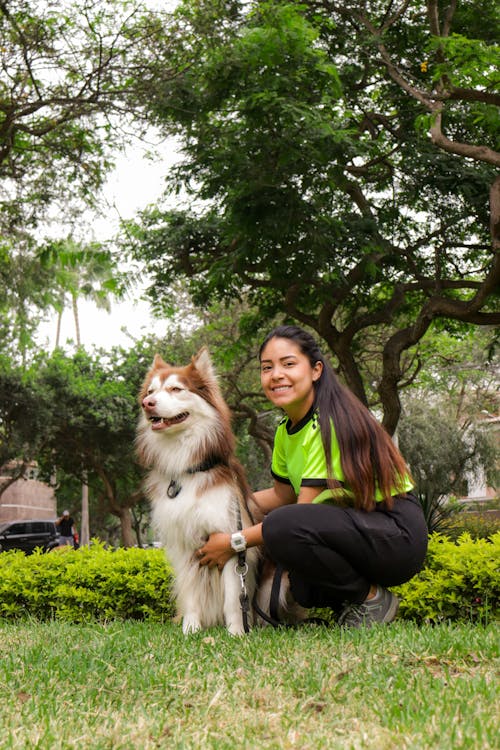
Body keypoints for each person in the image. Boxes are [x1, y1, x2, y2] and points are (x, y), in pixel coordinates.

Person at [196, 325, 428, 628]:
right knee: (304, 586)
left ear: (316, 370)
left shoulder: (327, 423)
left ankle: (371, 599)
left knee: (283, 527)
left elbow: (298, 516)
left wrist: (232, 541)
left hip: (395, 534)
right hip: (359, 526)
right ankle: (354, 605)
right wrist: (219, 509)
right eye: (267, 368)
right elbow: (283, 495)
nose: (276, 374)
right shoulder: (285, 429)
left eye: (288, 364)